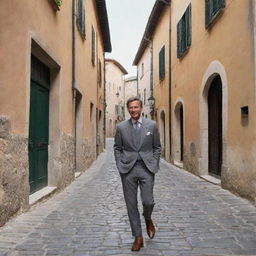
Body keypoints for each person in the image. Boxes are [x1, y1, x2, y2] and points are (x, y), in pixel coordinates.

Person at [114, 96, 161, 251]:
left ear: (141, 108)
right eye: (131, 107)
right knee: (131, 204)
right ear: (128, 109)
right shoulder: (121, 127)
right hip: (128, 169)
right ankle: (138, 237)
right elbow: (117, 148)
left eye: (136, 107)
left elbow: (157, 147)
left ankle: (147, 218)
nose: (133, 110)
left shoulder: (152, 125)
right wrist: (120, 165)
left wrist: (154, 163)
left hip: (147, 168)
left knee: (148, 201)